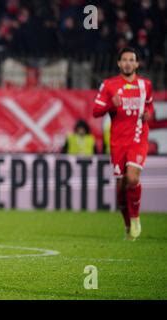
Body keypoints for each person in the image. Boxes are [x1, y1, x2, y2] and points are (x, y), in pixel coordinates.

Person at [93, 47, 154, 240]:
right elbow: (96, 111)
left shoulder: (146, 85)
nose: (128, 63)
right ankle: (128, 225)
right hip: (118, 142)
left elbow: (149, 106)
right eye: (124, 60)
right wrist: (112, 104)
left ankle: (135, 219)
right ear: (119, 63)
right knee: (120, 189)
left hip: (138, 138)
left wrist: (148, 114)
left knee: (133, 178)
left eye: (131, 60)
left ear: (137, 64)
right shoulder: (109, 85)